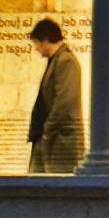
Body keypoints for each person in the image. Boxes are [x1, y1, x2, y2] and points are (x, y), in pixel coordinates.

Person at [22, 18, 84, 175]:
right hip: (50, 138)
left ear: (45, 40)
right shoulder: (56, 60)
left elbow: (64, 101)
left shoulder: (66, 61)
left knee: (55, 188)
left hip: (60, 141)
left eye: (36, 43)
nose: (35, 48)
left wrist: (48, 130)